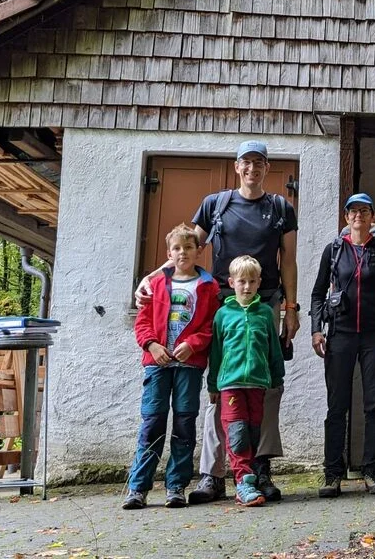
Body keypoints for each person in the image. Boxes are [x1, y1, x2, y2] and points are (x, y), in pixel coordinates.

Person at [134, 140, 298, 504]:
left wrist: (290, 308)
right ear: (237, 167)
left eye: (259, 162)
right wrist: (153, 276)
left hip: (265, 304)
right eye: (246, 162)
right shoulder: (216, 204)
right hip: (221, 304)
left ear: (267, 168)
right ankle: (212, 474)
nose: (252, 168)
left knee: (265, 388)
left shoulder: (280, 207)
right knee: (220, 385)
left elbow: (288, 260)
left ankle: (259, 470)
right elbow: (186, 252)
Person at [123, 224, 220, 510]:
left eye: (188, 247)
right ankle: (138, 488)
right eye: (176, 248)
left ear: (198, 251)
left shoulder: (208, 286)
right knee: (152, 423)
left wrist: (192, 344)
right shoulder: (155, 284)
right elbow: (142, 322)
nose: (182, 253)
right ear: (169, 254)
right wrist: (152, 345)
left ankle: (176, 486)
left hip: (189, 366)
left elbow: (210, 327)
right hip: (158, 365)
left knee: (184, 424)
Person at [309, 193, 375, 498]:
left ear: (373, 216)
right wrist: (316, 331)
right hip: (340, 333)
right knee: (337, 405)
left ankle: (372, 470)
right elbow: (318, 293)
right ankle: (332, 473)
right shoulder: (334, 250)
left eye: (364, 211)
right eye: (353, 211)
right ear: (346, 217)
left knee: (374, 403)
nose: (358, 216)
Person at [207, 255, 286, 507]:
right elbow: (216, 352)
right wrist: (212, 384)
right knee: (237, 432)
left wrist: (276, 377)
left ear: (259, 282)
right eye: (242, 281)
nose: (247, 286)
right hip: (231, 384)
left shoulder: (264, 313)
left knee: (253, 433)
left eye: (252, 281)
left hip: (258, 383)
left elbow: (274, 350)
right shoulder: (223, 315)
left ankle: (250, 479)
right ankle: (242, 481)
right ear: (232, 283)